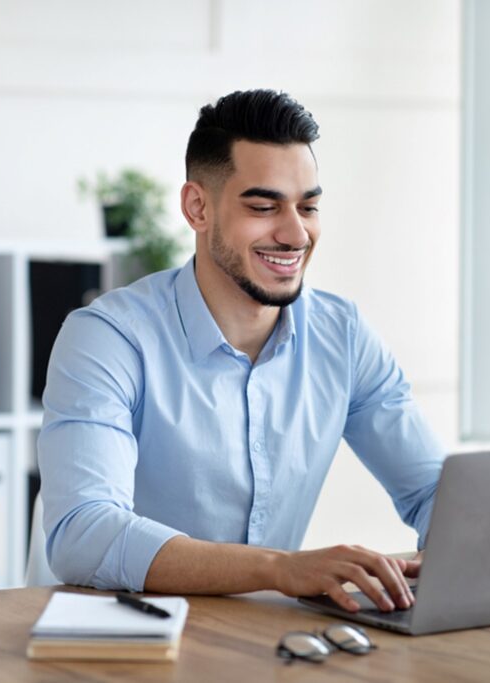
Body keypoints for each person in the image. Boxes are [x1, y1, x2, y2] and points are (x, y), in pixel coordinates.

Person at [38, 89, 446, 613]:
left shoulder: (341, 335)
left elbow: (433, 490)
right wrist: (279, 569)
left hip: (266, 638)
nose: (296, 233)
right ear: (197, 207)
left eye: (309, 207)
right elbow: (84, 535)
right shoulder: (108, 338)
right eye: (263, 206)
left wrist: (458, 550)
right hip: (130, 640)